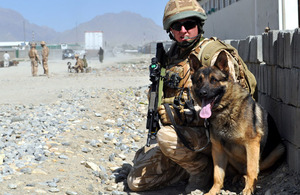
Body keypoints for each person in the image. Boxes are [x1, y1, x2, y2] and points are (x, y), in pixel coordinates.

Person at [127, 0, 257, 193]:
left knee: (165, 137)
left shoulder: (213, 55)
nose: (183, 31)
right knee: (135, 181)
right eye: (176, 26)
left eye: (189, 25)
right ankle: (192, 165)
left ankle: (204, 170)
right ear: (170, 30)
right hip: (185, 137)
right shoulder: (172, 56)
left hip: (220, 137)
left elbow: (236, 108)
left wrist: (182, 114)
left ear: (199, 25)